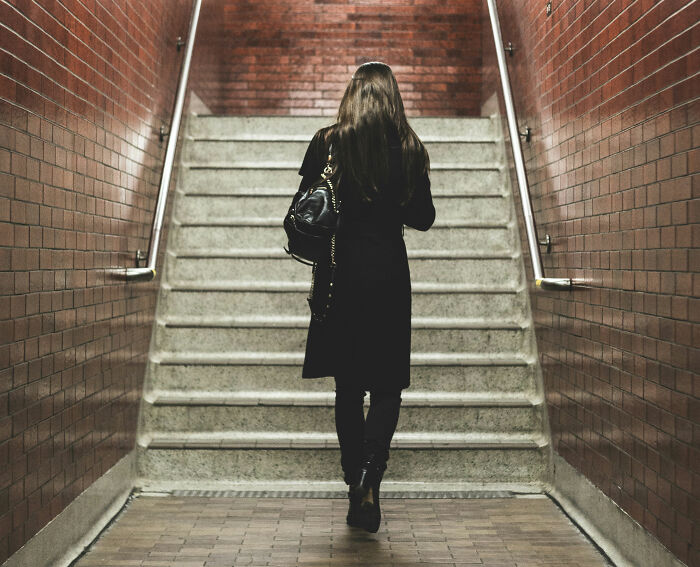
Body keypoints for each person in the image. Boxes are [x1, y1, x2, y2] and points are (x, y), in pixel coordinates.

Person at [296, 62, 435, 533]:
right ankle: (371, 478)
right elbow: (424, 218)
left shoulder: (328, 142)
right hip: (390, 278)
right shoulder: (411, 147)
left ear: (352, 95)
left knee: (349, 386)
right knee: (387, 386)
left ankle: (353, 480)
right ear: (393, 97)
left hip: (341, 277)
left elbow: (305, 205)